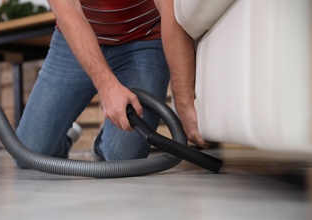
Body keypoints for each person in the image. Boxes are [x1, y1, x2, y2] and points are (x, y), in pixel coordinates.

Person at [16, 0, 209, 164]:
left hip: (145, 38)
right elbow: (67, 10)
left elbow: (171, 13)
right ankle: (63, 134)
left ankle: (104, 144)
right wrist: (107, 85)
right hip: (76, 37)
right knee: (27, 153)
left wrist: (184, 103)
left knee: (121, 157)